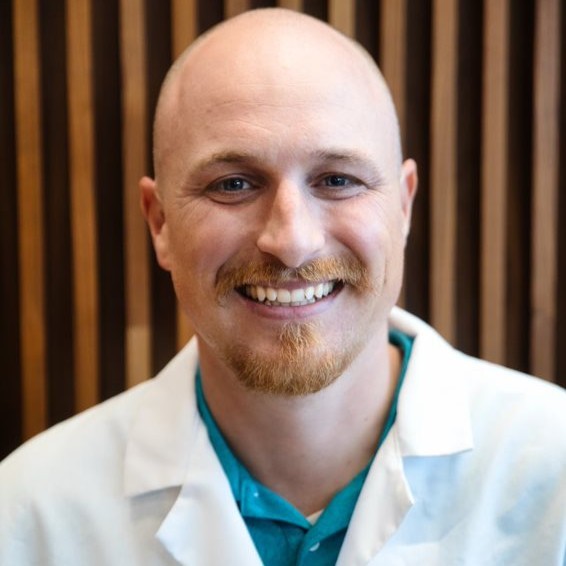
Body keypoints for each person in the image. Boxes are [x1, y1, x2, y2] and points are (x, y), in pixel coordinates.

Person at [1, 8, 565, 565]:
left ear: (402, 206)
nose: (292, 242)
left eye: (337, 180)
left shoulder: (553, 472)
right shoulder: (29, 513)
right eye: (233, 184)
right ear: (161, 223)